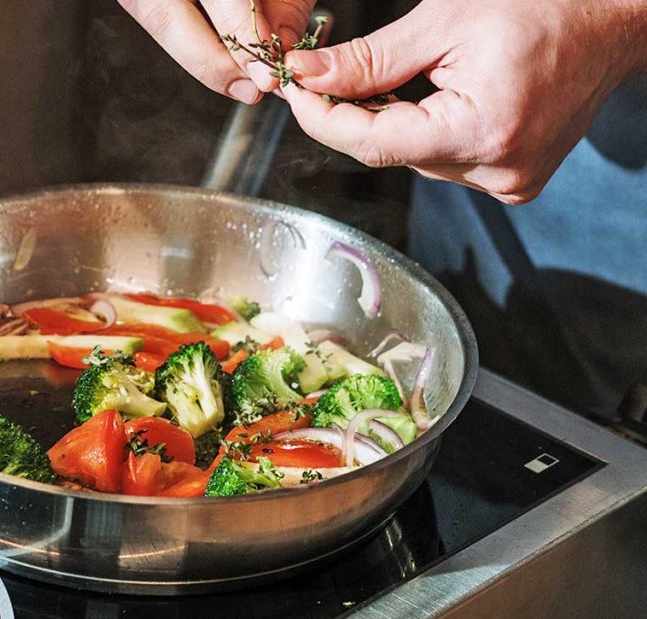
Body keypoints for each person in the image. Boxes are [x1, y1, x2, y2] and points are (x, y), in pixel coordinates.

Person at [119, 0, 647, 417]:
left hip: (593, 129)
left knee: (584, 425)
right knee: (477, 383)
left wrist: (613, 16)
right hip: (483, 46)